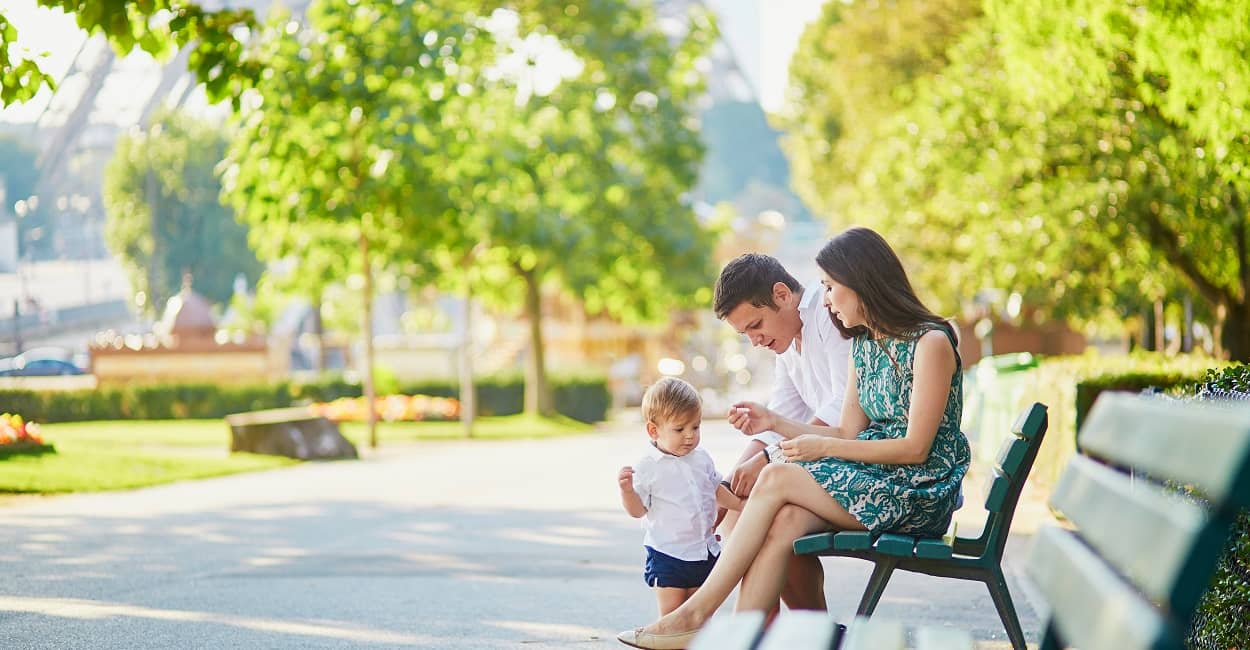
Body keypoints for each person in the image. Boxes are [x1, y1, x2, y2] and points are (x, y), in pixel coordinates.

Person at [617, 227, 970, 649]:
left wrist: (803, 451)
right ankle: (748, 639)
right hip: (876, 479)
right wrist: (776, 428)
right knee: (781, 519)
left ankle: (698, 617)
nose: (824, 299)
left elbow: (915, 449)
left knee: (776, 479)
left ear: (863, 282)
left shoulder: (930, 341)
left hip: (918, 489)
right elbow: (845, 431)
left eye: (831, 287)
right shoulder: (864, 346)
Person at [713, 253, 852, 611]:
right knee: (733, 511)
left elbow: (843, 409)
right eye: (746, 334)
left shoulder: (828, 314)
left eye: (756, 325)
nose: (755, 340)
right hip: (825, 462)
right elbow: (779, 419)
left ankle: (799, 631)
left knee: (772, 513)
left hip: (853, 458)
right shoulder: (788, 342)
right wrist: (725, 487)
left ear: (782, 294)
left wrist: (766, 460)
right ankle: (780, 632)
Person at [618, 377, 743, 616]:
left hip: (703, 551)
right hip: (668, 554)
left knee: (699, 616)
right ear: (653, 430)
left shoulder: (701, 457)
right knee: (673, 615)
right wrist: (627, 492)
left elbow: (716, 490)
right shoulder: (647, 466)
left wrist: (742, 505)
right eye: (680, 429)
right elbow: (637, 511)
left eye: (695, 427)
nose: (690, 436)